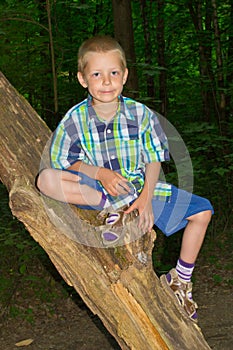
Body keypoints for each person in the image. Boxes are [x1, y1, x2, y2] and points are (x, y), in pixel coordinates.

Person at [36, 35, 213, 323]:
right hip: (101, 189)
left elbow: (154, 157)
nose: (106, 81)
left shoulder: (140, 114)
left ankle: (180, 280)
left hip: (142, 188)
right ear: (83, 79)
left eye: (113, 73)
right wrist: (100, 174)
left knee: (203, 211)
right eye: (97, 74)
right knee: (45, 180)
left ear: (125, 76)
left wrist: (147, 199)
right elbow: (64, 161)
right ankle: (109, 207)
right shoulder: (74, 119)